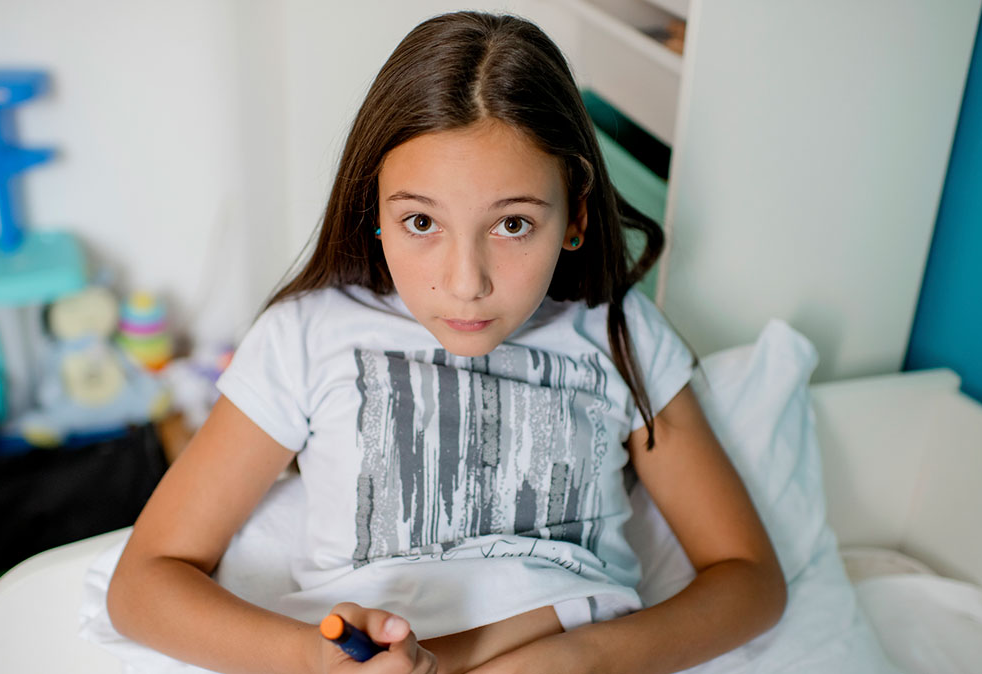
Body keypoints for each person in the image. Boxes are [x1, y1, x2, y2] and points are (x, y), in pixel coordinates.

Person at [107, 10, 786, 674]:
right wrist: (309, 658)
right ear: (374, 210)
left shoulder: (621, 333)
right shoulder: (307, 336)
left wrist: (586, 659)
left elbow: (749, 578)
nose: (466, 283)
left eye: (513, 225)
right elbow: (143, 585)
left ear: (575, 214)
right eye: (422, 221)